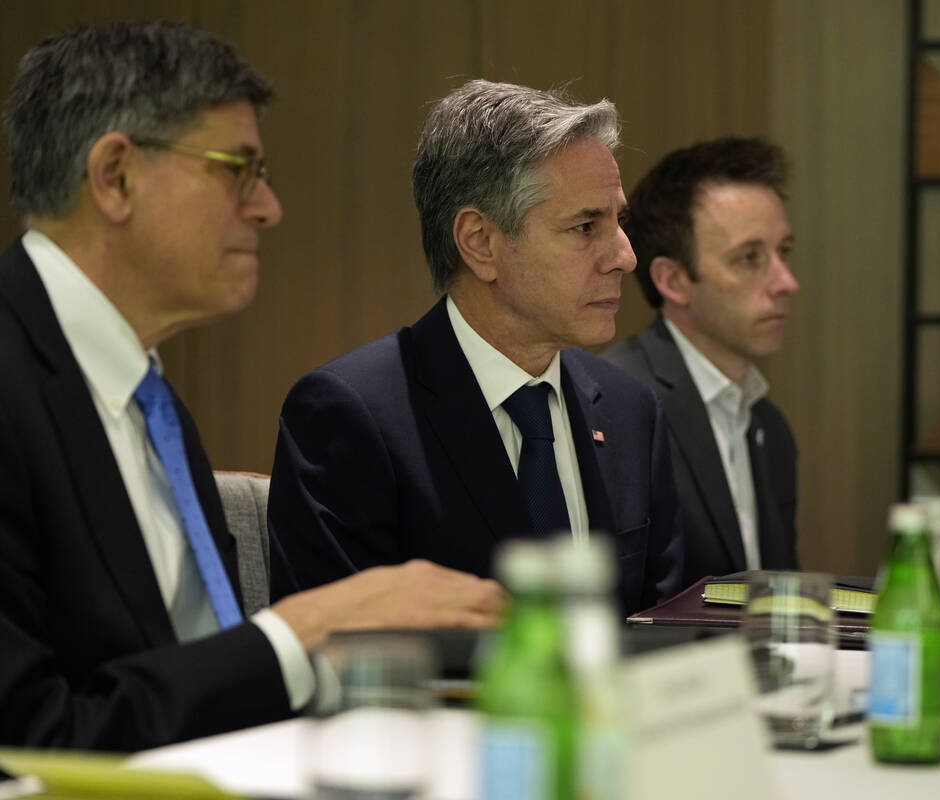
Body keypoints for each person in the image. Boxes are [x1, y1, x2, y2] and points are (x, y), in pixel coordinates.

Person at [0, 20, 503, 751]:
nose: (268, 208)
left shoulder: (153, 406)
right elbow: (28, 742)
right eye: (238, 169)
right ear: (115, 176)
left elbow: (187, 676)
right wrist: (308, 628)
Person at [268, 80, 684, 617]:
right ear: (480, 242)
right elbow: (337, 651)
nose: (625, 257)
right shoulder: (350, 415)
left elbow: (663, 630)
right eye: (586, 226)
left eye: (618, 221)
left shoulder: (631, 411)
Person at [604, 137, 800, 588]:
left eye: (783, 252)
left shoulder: (771, 427)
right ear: (673, 280)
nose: (786, 281)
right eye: (750, 258)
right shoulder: (616, 406)